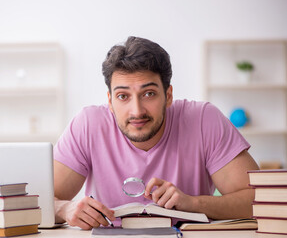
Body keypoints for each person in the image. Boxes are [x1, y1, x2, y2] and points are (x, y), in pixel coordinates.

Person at [53, 36, 259, 230]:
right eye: (123, 96)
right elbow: (34, 203)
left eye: (149, 94)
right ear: (110, 101)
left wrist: (192, 203)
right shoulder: (88, 125)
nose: (137, 110)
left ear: (168, 95)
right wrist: (63, 208)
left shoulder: (204, 119)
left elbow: (260, 200)